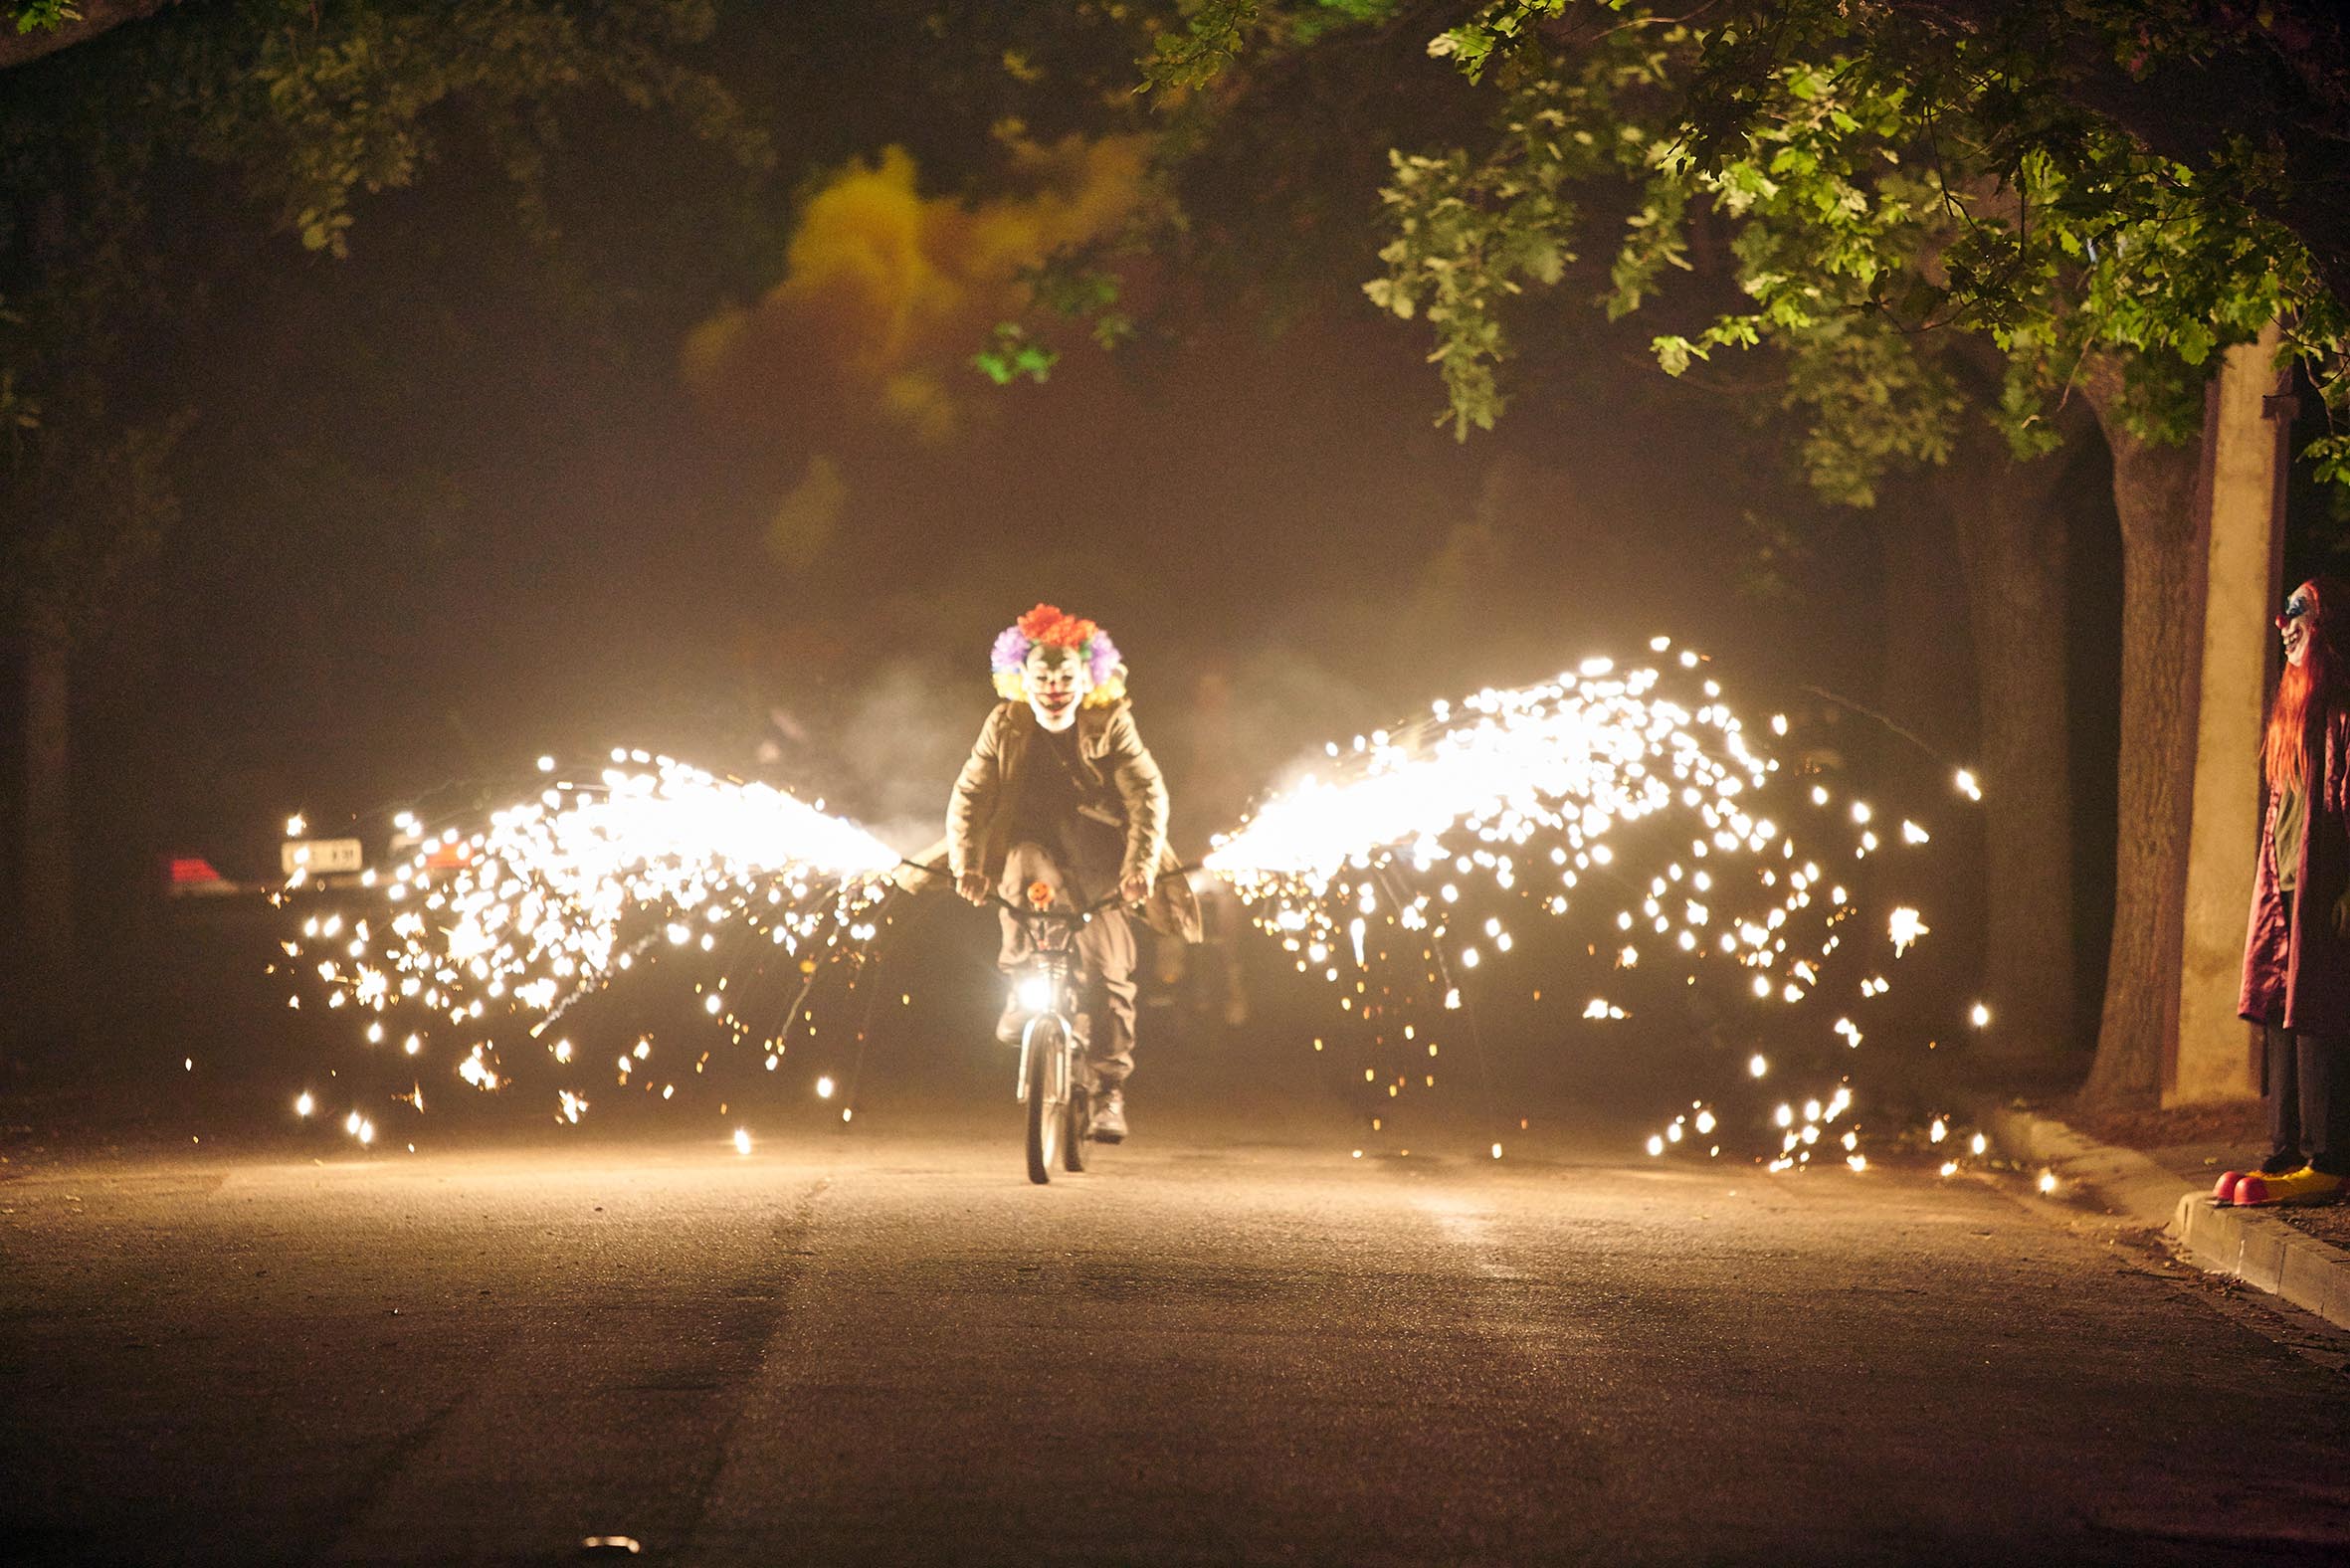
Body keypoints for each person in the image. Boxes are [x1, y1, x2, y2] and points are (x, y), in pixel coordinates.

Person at [940, 603, 1199, 1141]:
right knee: (1021, 869)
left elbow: (1148, 796)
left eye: (1065, 677)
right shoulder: (1005, 724)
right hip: (1034, 853)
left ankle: (1108, 1092)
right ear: (1021, 679)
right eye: (1042, 677)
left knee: (1109, 979)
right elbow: (970, 794)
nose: (1054, 688)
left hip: (1103, 860)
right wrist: (966, 864)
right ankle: (1019, 987)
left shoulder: (1114, 723)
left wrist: (1138, 871)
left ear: (1089, 678)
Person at [2224, 576, 2350, 1207]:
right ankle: (2285, 1149)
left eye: (2301, 612)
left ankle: (2328, 1157)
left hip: (2326, 884)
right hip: (2284, 881)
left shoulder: (2342, 706)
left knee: (2316, 1012)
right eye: (2286, 615)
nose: (2286, 624)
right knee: (2278, 1008)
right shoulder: (2293, 711)